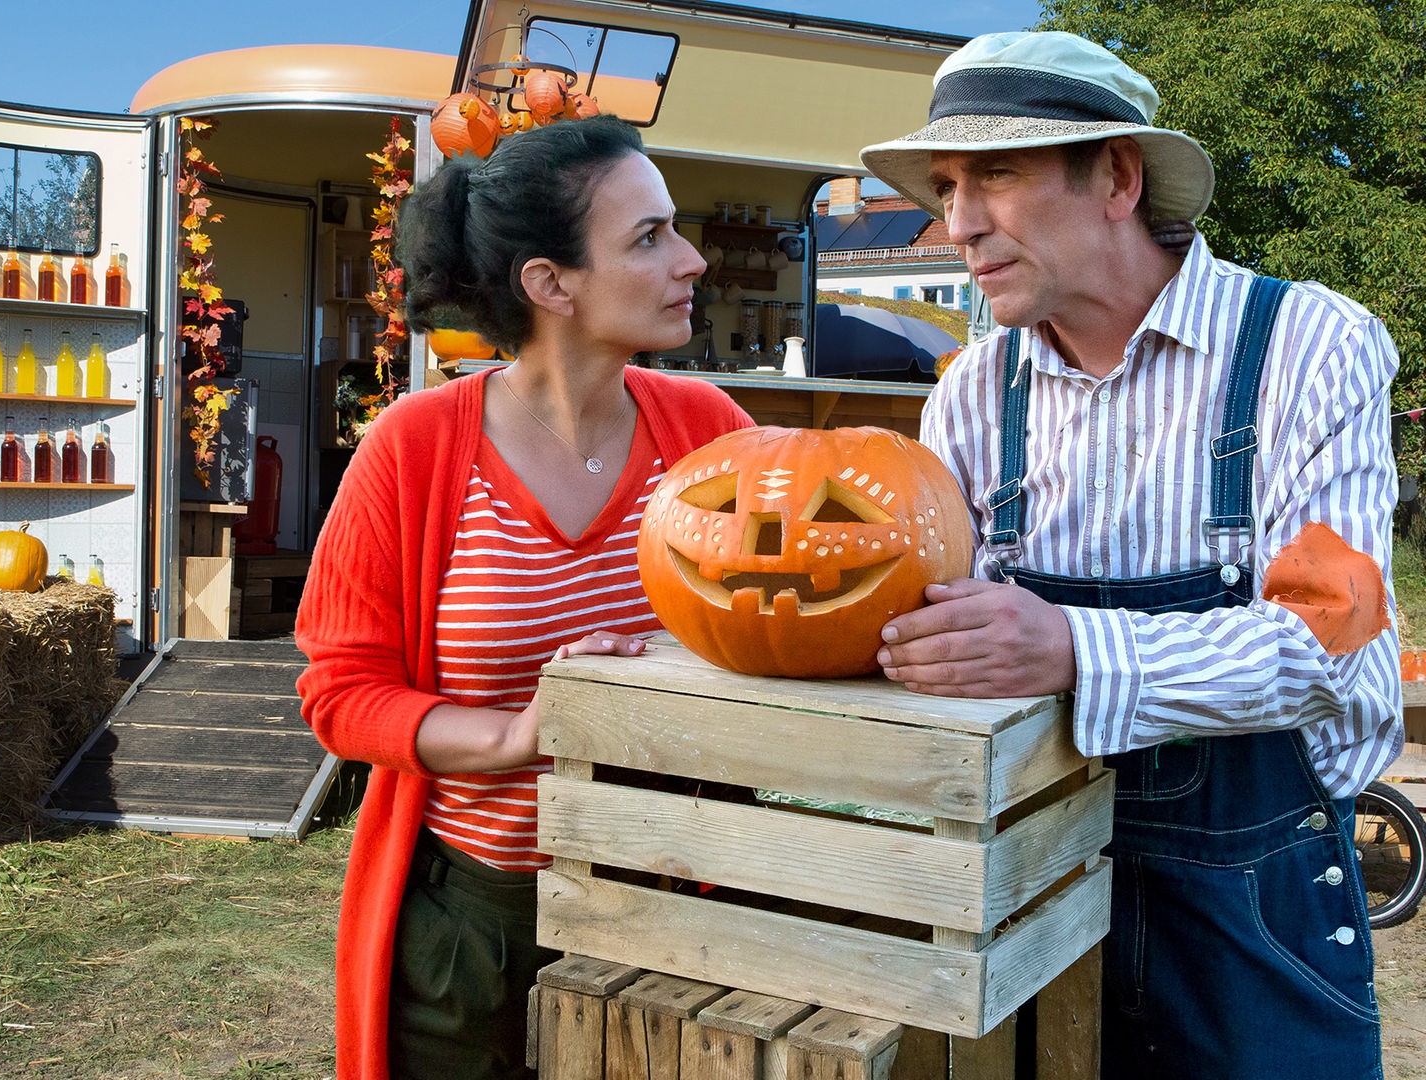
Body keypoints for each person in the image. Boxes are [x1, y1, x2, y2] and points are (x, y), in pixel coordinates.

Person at [861, 31, 1401, 1079]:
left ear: (1115, 176)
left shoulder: (1309, 348)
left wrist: (1071, 648)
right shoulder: (973, 392)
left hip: (1258, 908)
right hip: (1023, 887)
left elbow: (1329, 643)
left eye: (998, 176)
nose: (958, 223)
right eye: (946, 185)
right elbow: (917, 631)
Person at [294, 115, 751, 1080]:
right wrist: (515, 735)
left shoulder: (710, 434)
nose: (693, 260)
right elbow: (343, 695)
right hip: (477, 926)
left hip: (677, 906)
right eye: (649, 237)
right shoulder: (414, 449)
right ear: (550, 284)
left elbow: (800, 606)